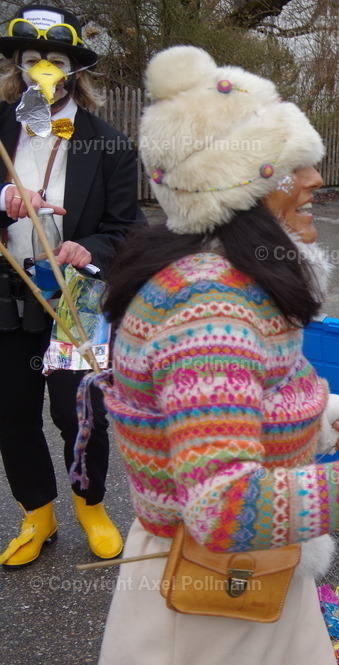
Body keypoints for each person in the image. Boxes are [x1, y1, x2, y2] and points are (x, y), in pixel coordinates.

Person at [93, 46, 339, 665]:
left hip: (257, 582)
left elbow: (253, 393)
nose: (314, 181)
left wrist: (327, 411)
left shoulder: (232, 279)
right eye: (291, 166)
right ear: (236, 185)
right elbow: (224, 505)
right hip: (207, 614)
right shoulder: (208, 313)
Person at [0, 4, 144, 569]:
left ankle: (91, 506)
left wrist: (91, 250)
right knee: (12, 409)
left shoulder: (108, 144)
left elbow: (127, 228)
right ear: (16, 65)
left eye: (54, 61)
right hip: (7, 293)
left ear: (75, 71)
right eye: (31, 60)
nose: (42, 72)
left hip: (76, 299)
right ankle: (37, 513)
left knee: (79, 411)